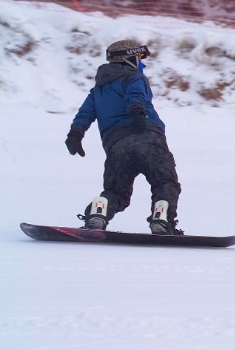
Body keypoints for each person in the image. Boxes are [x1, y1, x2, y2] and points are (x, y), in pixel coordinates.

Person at [64, 39, 182, 235]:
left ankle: (98, 213)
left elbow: (84, 114)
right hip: (148, 137)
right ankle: (161, 218)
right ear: (130, 59)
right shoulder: (135, 77)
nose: (141, 62)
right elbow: (135, 96)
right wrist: (137, 113)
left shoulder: (98, 90)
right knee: (164, 183)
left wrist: (75, 134)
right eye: (139, 57)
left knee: (116, 192)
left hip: (117, 145)